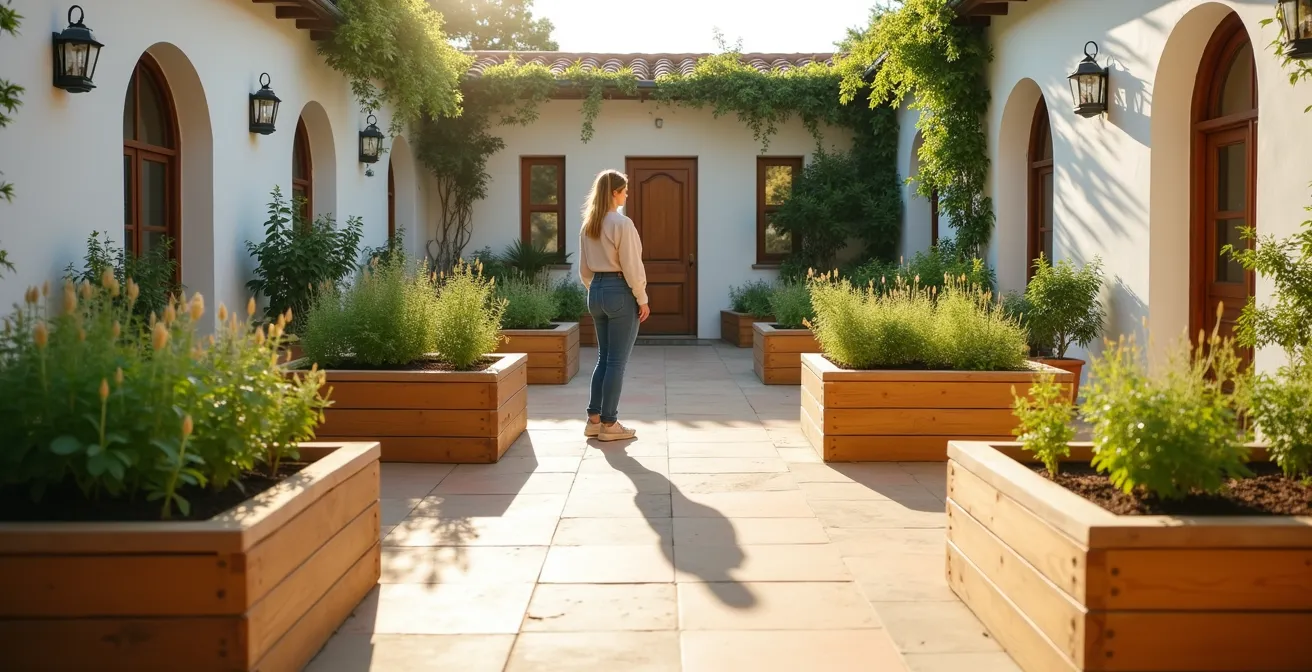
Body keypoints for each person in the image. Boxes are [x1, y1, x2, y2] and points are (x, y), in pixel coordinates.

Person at [579, 169, 649, 441]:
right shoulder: (622, 224)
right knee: (616, 362)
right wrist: (641, 298)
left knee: (603, 359)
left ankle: (593, 419)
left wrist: (598, 290)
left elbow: (585, 271)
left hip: (595, 291)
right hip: (619, 291)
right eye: (624, 190)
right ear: (614, 193)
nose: (627, 194)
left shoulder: (588, 226)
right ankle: (610, 424)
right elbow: (632, 265)